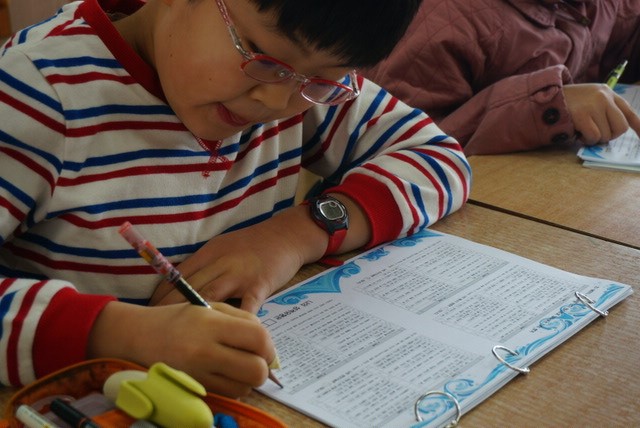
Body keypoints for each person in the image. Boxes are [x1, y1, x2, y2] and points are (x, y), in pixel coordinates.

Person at [0, 0, 471, 397]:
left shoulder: (303, 84)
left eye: (322, 82)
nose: (276, 103)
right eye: (261, 56)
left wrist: (292, 237)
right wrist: (123, 336)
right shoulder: (36, 92)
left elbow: (437, 157)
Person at [364, 0, 640, 155]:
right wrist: (548, 106)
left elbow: (627, 26)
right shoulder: (445, 21)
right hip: (470, 214)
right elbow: (397, 147)